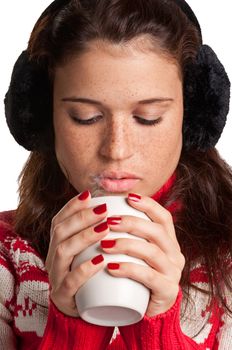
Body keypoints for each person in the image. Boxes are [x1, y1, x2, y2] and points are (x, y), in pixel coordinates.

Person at [0, 0, 231, 348]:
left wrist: (159, 331)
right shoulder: (7, 257)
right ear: (43, 118)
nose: (116, 150)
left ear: (193, 116)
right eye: (85, 117)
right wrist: (71, 330)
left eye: (149, 117)